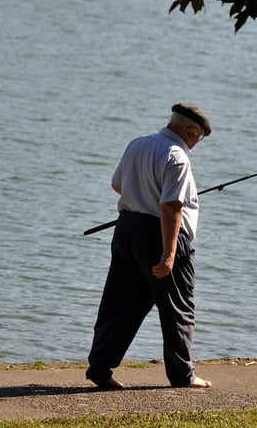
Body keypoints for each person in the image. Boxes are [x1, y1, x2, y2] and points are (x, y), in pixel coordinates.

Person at [86, 102, 213, 390]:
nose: (197, 143)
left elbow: (118, 185)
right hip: (160, 234)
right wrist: (169, 255)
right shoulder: (177, 156)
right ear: (190, 130)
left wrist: (143, 192)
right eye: (199, 137)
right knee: (178, 308)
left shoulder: (138, 143)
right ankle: (183, 376)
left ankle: (100, 368)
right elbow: (170, 207)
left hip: (126, 230)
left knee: (119, 303)